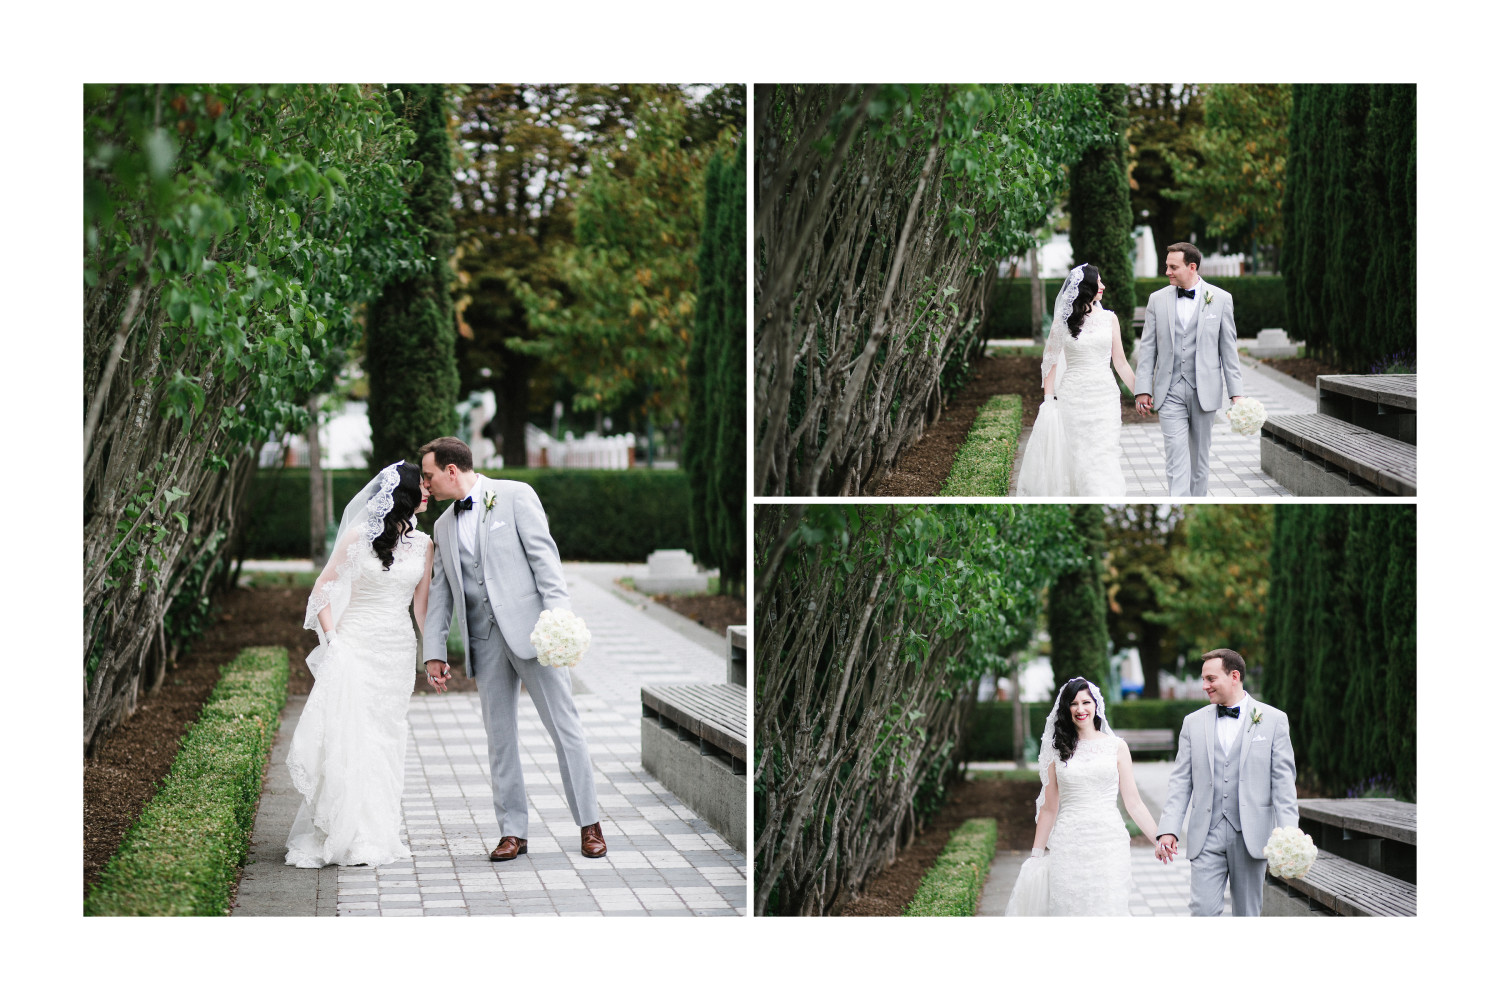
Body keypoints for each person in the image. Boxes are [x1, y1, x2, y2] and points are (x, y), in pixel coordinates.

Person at [418, 436, 608, 861]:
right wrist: (434, 650)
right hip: (484, 643)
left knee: (565, 728)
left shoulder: (516, 495)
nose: (425, 486)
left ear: (452, 470)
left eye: (429, 476)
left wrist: (558, 621)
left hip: (534, 635)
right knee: (499, 739)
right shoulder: (443, 526)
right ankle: (513, 832)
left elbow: (546, 562)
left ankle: (589, 824)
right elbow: (442, 592)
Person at [286, 460, 435, 868]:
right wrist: (333, 641)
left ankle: (378, 831)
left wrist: (433, 656)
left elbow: (421, 608)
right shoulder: (357, 537)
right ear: (402, 494)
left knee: (387, 737)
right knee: (351, 735)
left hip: (397, 651)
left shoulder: (424, 545)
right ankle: (346, 830)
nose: (427, 490)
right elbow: (322, 590)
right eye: (420, 485)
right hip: (355, 646)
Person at [1154, 649, 1299, 916]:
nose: (1204, 685)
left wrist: (1290, 833)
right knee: (1203, 912)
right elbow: (1180, 781)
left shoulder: (1274, 720)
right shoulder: (1192, 723)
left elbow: (1283, 783)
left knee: (1247, 914)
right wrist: (1169, 829)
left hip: (1251, 835)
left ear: (1234, 676)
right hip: (1205, 834)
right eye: (1203, 679)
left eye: (1210, 678)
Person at [1005, 677, 1160, 915]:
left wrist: (1158, 839)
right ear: (1066, 708)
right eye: (1074, 703)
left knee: (1109, 908)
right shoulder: (1056, 750)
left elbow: (1134, 802)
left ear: (1096, 705)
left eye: (1086, 702)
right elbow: (1048, 808)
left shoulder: (1117, 747)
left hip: (1109, 844)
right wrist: (1036, 854)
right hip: (1069, 843)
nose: (1080, 709)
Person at [1133, 243, 1246, 497]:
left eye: (1173, 267)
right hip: (1169, 390)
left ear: (1192, 267)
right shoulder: (1157, 300)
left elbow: (1229, 351)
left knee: (1199, 461)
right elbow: (1148, 348)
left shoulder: (1221, 299)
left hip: (1204, 392)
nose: (1168, 272)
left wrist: (1236, 394)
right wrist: (1142, 390)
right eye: (1167, 266)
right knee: (1175, 456)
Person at [1017, 263, 1136, 496]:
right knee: (1080, 455)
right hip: (1074, 397)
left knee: (1105, 452)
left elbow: (1120, 362)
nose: (1103, 285)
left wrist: (1141, 392)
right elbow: (1050, 361)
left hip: (1105, 396)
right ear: (1086, 287)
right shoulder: (1063, 320)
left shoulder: (1110, 319)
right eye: (1098, 281)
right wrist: (1048, 400)